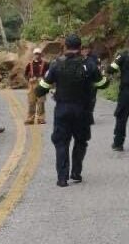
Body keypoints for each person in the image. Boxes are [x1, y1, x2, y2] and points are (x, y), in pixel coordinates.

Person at [36, 34, 109, 187]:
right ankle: (76, 172)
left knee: (61, 142)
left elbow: (41, 88)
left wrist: (45, 89)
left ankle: (62, 178)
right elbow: (102, 84)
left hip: (62, 109)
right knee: (81, 141)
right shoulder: (89, 65)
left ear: (65, 46)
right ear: (80, 47)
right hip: (83, 110)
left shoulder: (56, 64)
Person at [24, 48, 49, 125]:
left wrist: (45, 80)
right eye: (36, 54)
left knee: (41, 102)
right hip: (32, 84)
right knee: (31, 102)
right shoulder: (29, 64)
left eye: (38, 54)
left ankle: (41, 119)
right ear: (33, 54)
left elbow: (49, 73)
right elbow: (25, 74)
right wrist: (29, 79)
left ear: (41, 54)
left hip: (41, 84)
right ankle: (30, 119)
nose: (37, 55)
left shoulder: (46, 64)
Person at [81, 44, 101, 125]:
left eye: (87, 48)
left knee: (92, 99)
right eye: (84, 49)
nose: (86, 50)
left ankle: (90, 115)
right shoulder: (78, 58)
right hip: (82, 83)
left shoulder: (94, 57)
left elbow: (99, 68)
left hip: (92, 82)